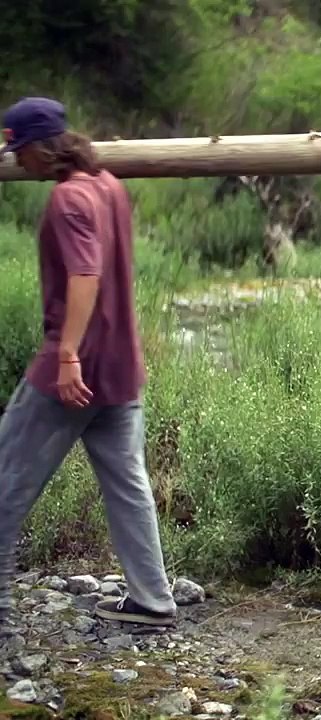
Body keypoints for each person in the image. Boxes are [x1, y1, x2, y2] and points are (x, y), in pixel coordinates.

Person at [0, 96, 177, 628]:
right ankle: (152, 598)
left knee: (6, 476)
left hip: (71, 373)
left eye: (16, 151)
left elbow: (85, 275)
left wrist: (70, 354)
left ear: (37, 149)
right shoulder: (109, 186)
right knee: (128, 485)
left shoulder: (68, 199)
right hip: (122, 370)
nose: (14, 162)